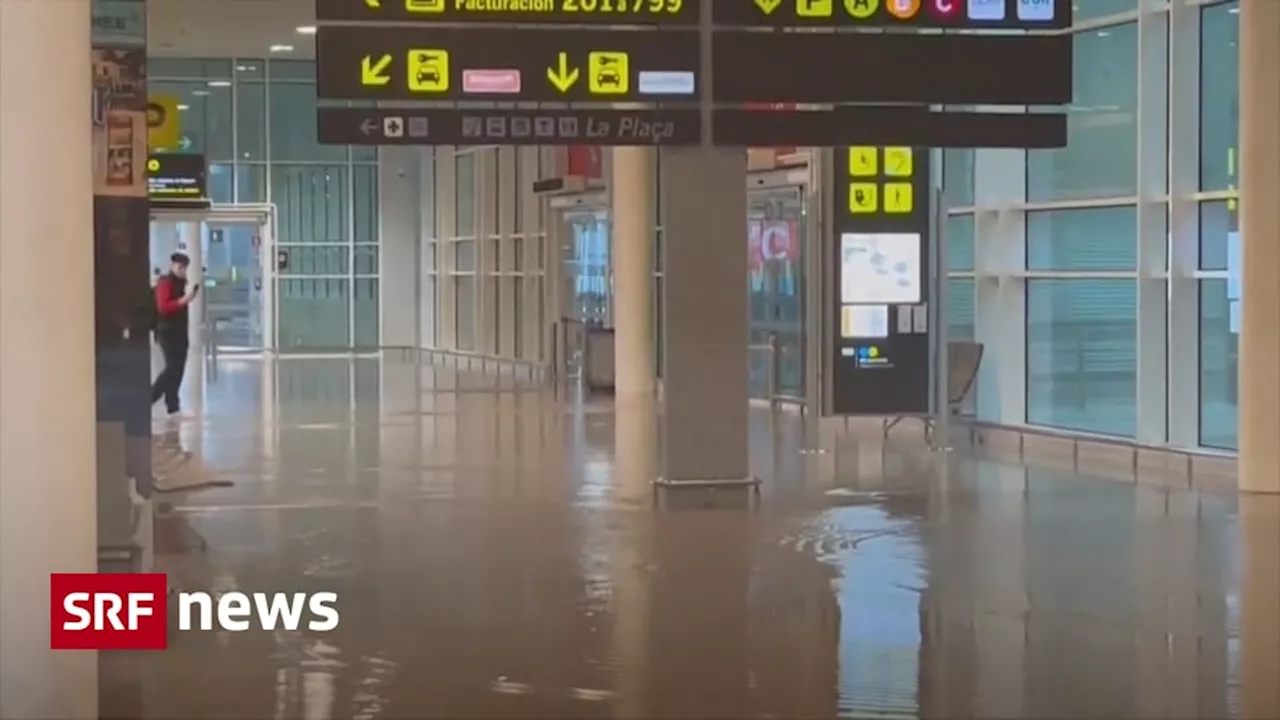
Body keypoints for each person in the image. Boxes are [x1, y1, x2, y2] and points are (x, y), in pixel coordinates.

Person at [150, 252, 198, 416]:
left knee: (178, 369)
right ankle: (149, 398)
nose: (182, 270)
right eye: (179, 267)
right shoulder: (165, 283)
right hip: (166, 331)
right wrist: (184, 300)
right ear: (173, 266)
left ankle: (173, 405)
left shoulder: (183, 284)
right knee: (171, 368)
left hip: (180, 331)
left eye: (184, 268)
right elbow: (164, 307)